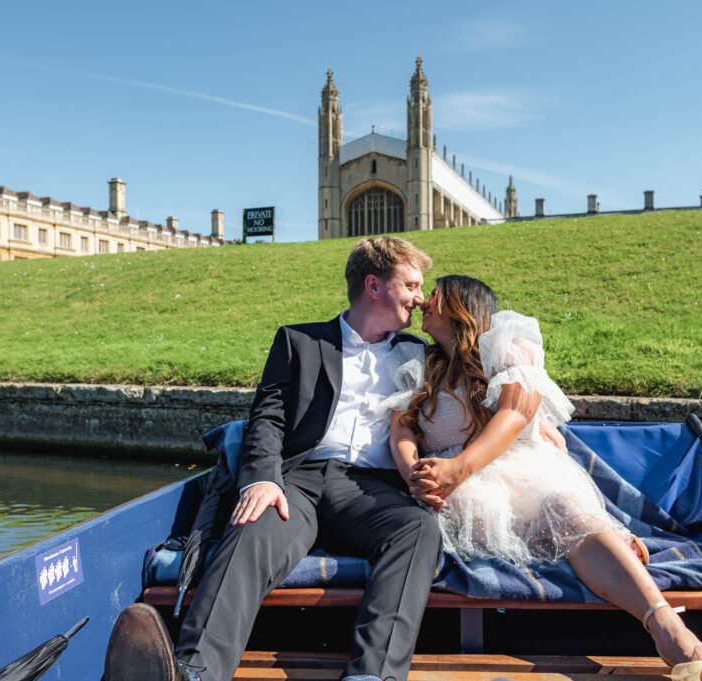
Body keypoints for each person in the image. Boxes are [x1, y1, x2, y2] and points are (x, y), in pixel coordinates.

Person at [105, 236, 446, 681]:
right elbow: (266, 419)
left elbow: (469, 397)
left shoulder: (419, 353)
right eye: (412, 286)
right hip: (297, 480)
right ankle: (195, 672)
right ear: (374, 286)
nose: (420, 299)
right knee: (250, 528)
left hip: (372, 489)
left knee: (419, 528)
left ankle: (371, 675)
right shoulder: (299, 341)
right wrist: (261, 479)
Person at [388, 275, 702, 681]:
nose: (423, 301)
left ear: (462, 303)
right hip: (462, 486)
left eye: (433, 292)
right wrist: (413, 472)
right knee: (476, 512)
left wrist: (460, 467)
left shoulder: (508, 345)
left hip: (520, 468)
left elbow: (516, 414)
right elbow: (401, 428)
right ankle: (613, 549)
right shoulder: (421, 365)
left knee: (564, 511)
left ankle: (672, 631)